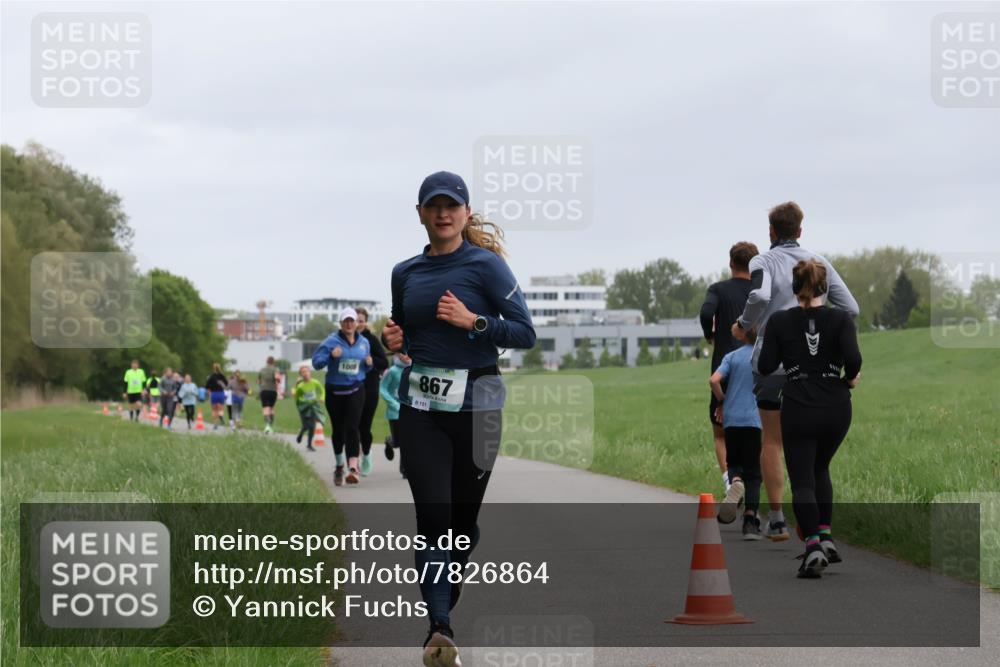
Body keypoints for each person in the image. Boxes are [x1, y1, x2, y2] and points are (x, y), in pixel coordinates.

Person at [382, 171, 536, 665]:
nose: (443, 213)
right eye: (434, 206)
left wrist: (476, 322)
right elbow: (404, 327)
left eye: (453, 205)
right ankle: (439, 628)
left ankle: (447, 587)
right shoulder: (404, 272)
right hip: (421, 407)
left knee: (462, 525)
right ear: (422, 214)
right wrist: (396, 341)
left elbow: (524, 333)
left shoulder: (486, 266)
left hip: (480, 404)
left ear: (466, 213)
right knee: (433, 518)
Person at [734, 201, 859, 541]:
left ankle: (776, 519)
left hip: (772, 364)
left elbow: (758, 295)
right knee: (816, 460)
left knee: (772, 441)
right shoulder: (817, 263)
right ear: (800, 231)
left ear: (771, 231)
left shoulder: (763, 260)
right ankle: (816, 529)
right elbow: (851, 307)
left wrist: (745, 325)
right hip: (813, 368)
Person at [759, 259, 862, 578]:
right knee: (821, 467)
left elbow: (765, 365)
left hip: (799, 404)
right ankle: (827, 535)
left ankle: (814, 546)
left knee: (802, 478)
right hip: (836, 406)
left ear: (794, 288)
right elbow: (854, 361)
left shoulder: (779, 321)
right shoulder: (841, 318)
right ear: (825, 287)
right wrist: (847, 379)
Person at [700, 241, 759, 493]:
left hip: (725, 367)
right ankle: (752, 483)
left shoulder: (718, 289)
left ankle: (730, 482)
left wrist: (709, 333)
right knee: (760, 432)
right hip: (758, 365)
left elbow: (706, 312)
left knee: (721, 434)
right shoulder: (761, 291)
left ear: (730, 264)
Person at [709, 326, 763, 539]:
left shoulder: (731, 356)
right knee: (754, 472)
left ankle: (736, 481)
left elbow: (714, 380)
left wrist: (722, 399)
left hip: (731, 418)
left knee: (734, 463)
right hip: (755, 419)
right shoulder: (763, 356)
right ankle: (750, 520)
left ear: (742, 334)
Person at [312, 308, 373, 486]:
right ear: (341, 323)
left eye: (352, 321)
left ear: (356, 323)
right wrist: (331, 356)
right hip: (335, 392)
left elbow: (365, 367)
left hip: (356, 389)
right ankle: (339, 465)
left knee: (353, 428)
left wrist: (369, 364)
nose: (349, 324)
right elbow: (316, 363)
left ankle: (353, 468)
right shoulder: (331, 341)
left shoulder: (364, 342)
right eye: (346, 321)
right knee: (338, 430)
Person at [356, 307, 389, 476]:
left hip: (369, 388)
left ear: (365, 322)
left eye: (361, 321)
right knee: (351, 426)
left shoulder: (371, 340)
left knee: (364, 427)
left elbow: (384, 363)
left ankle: (366, 455)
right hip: (351, 389)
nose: (357, 324)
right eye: (355, 320)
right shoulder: (345, 340)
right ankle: (352, 461)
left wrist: (371, 360)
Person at [379, 351, 411, 478]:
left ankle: (405, 469)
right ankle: (389, 441)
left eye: (409, 354)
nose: (406, 356)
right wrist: (393, 403)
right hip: (395, 412)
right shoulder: (392, 371)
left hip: (409, 411)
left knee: (407, 441)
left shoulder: (415, 369)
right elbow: (383, 389)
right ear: (398, 355)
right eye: (403, 354)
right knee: (398, 441)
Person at [293, 365, 326, 451]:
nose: (305, 373)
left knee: (312, 426)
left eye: (307, 371)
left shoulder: (315, 382)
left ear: (310, 373)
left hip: (313, 406)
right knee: (306, 426)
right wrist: (300, 406)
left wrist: (322, 398)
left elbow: (322, 390)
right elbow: (297, 397)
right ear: (301, 374)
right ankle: (301, 434)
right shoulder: (300, 386)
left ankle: (309, 444)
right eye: (303, 372)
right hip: (304, 407)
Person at [258, 356, 280, 433]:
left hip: (264, 390)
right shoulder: (276, 369)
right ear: (273, 362)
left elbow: (259, 381)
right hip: (273, 391)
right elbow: (277, 378)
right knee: (271, 408)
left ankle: (267, 425)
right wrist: (277, 381)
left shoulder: (262, 370)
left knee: (265, 409)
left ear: (266, 362)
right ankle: (270, 426)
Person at [204, 363, 229, 430]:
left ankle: (215, 424)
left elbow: (207, 386)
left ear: (213, 368)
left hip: (214, 394)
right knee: (220, 408)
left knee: (214, 410)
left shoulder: (211, 376)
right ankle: (220, 415)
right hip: (221, 393)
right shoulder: (222, 376)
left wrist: (210, 388)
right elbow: (227, 384)